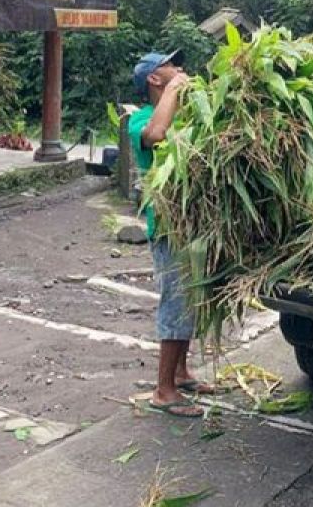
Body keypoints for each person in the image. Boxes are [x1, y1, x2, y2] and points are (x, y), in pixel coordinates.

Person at [127, 50, 214, 418]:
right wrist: (176, 89)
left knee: (191, 303)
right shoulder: (141, 119)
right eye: (170, 66)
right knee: (176, 303)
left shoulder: (189, 114)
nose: (179, 69)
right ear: (154, 79)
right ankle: (163, 391)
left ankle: (180, 373)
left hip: (193, 223)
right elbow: (157, 134)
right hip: (168, 227)